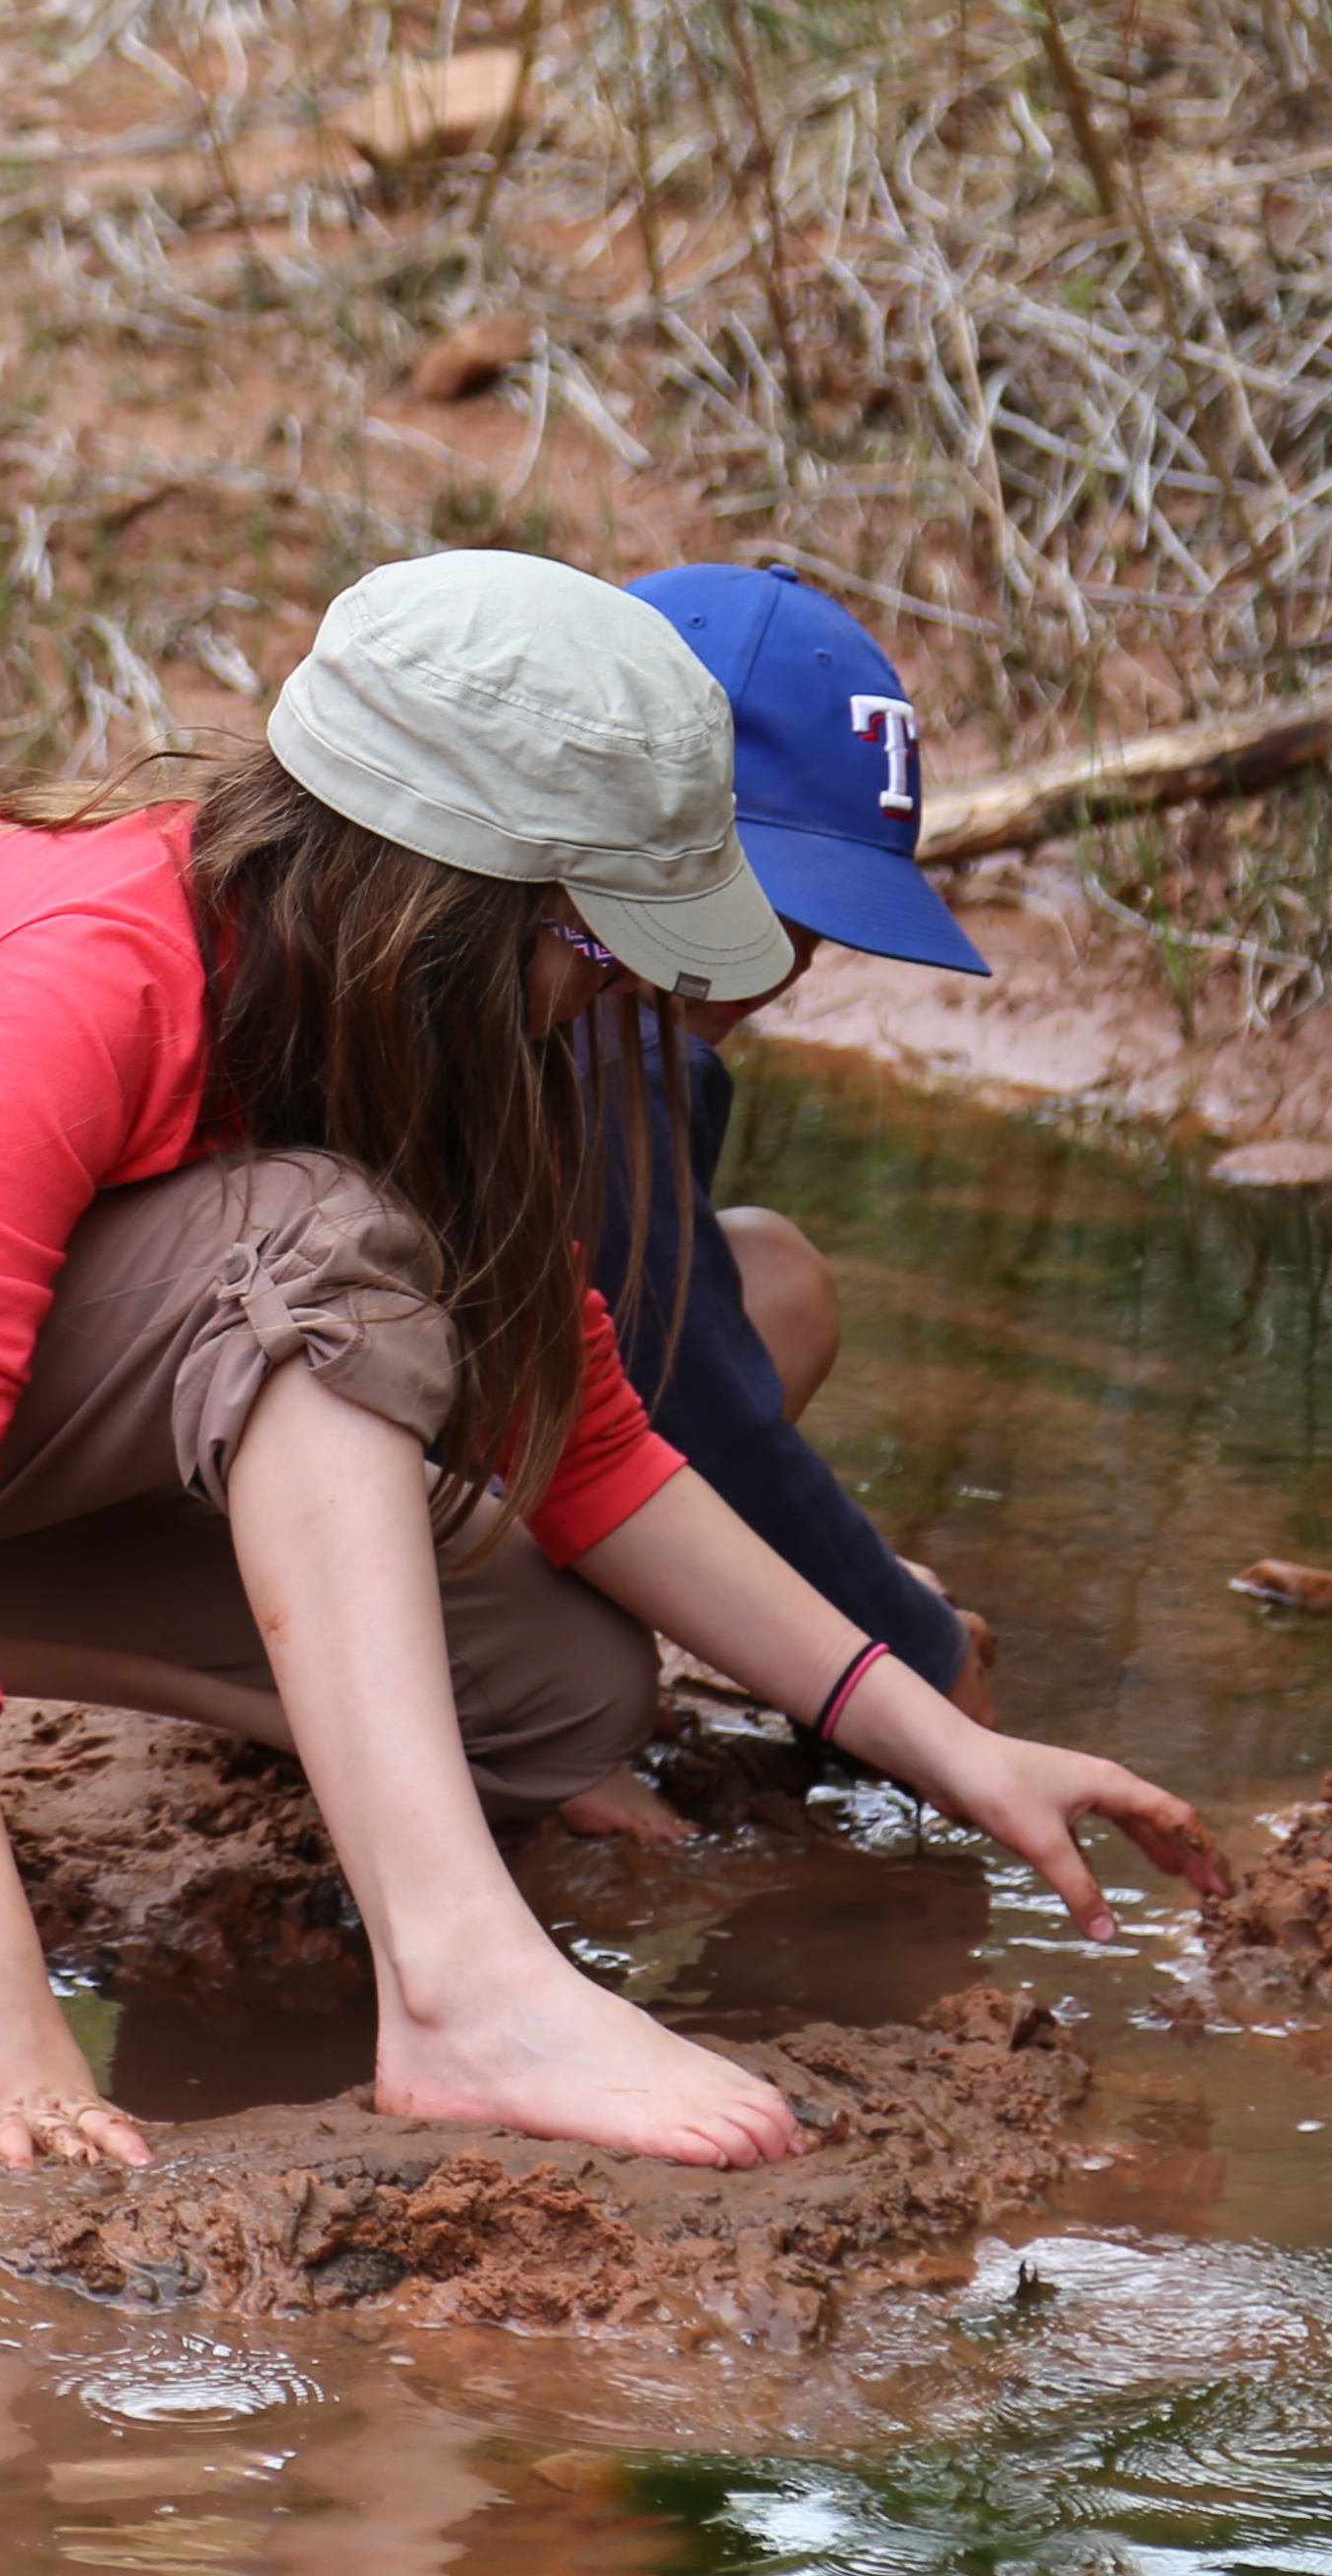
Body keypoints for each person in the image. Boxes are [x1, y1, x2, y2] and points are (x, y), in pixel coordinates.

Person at [0, 551, 1220, 2173]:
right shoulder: (96, 973)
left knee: (568, 1692)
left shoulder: (413, 1015)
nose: (617, 997)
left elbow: (598, 1443)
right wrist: (3, 2006)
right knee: (305, 1234)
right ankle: (459, 1988)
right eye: (605, 943)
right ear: (450, 899)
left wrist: (950, 1746)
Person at [553, 563, 995, 1843]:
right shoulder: (596, 1018)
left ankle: (513, 1649)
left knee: (773, 1276)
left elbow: (645, 1357)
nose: (789, 962)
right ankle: (496, 1699)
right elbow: (702, 1413)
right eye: (769, 897)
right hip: (266, 1483)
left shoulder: (614, 997)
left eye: (818, 921)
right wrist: (915, 1660)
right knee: (583, 1687)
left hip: (410, 1421)